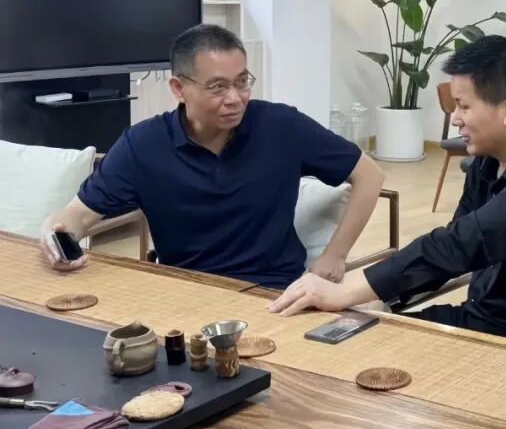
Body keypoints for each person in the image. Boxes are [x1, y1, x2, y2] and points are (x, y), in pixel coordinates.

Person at [269, 35, 506, 352]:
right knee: (353, 335)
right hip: (486, 320)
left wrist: (348, 290)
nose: (454, 118)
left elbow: (460, 245)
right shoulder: (487, 162)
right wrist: (384, 298)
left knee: (372, 346)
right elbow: (450, 250)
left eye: (463, 106)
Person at [38, 24, 385, 287]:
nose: (235, 98)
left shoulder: (281, 126)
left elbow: (369, 176)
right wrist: (56, 232)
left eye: (242, 82)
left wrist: (335, 256)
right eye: (218, 87)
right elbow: (78, 215)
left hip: (273, 291)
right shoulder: (143, 145)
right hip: (186, 291)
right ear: (179, 88)